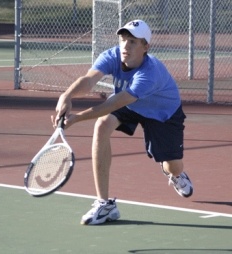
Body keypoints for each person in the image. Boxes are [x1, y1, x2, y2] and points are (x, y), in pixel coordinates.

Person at [52, 19, 193, 225]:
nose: (125, 46)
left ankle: (175, 174)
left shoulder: (149, 73)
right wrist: (67, 95)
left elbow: (114, 103)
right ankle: (104, 204)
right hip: (130, 103)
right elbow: (89, 80)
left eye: (133, 42)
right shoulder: (111, 56)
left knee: (173, 167)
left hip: (162, 112)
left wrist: (76, 119)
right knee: (102, 125)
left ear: (146, 47)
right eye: (123, 40)